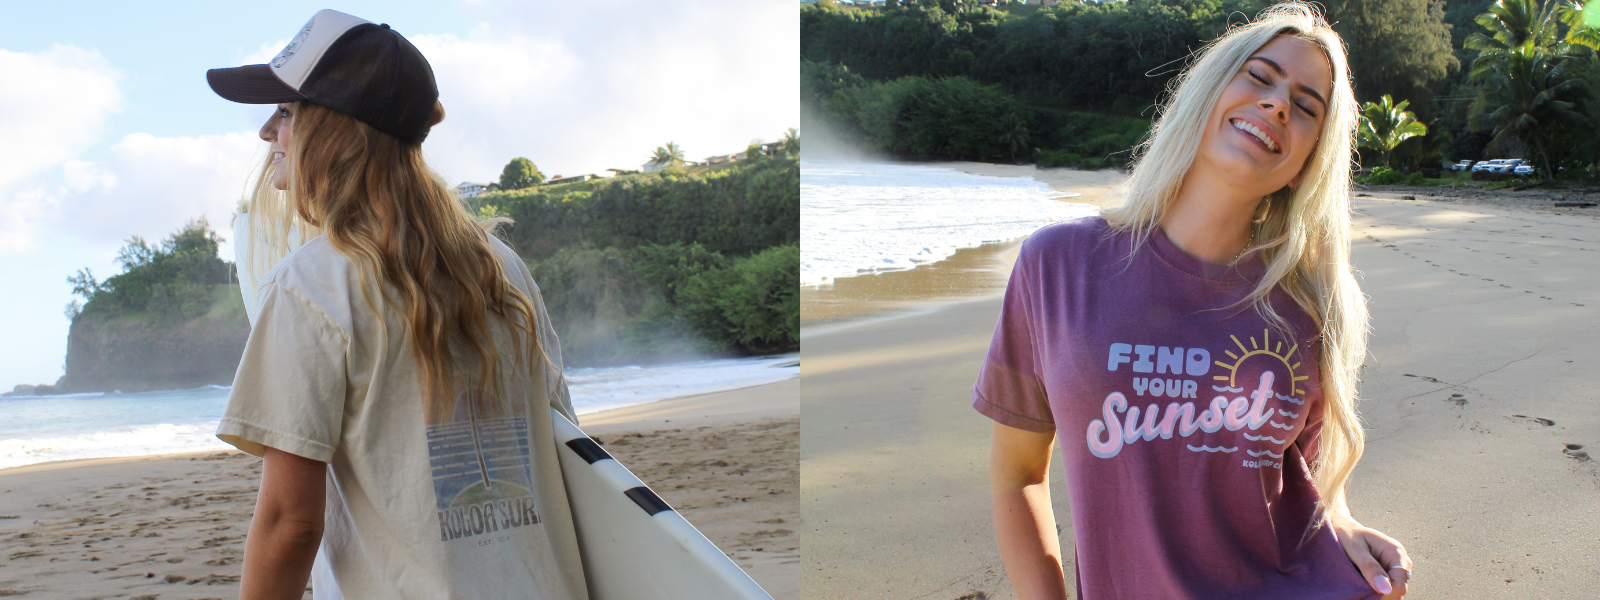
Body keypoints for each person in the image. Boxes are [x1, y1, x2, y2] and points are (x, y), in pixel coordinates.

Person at [974, 4, 1412, 599]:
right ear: (1208, 91)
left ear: (1308, 158)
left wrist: (1343, 522)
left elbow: (1303, 489)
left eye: (1306, 107)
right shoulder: (1058, 266)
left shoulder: (1312, 309)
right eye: (1260, 77)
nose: (1278, 104)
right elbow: (1016, 476)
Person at [208, 9, 586, 599]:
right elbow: (566, 444)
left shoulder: (311, 285)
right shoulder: (498, 265)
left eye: (285, 113)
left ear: (334, 128)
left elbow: (290, 523)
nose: (266, 132)